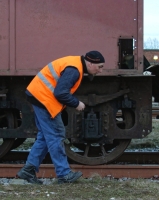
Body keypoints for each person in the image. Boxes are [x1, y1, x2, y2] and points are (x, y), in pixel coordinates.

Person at [16, 51, 105, 184]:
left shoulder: (75, 64)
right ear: (90, 63)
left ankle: (28, 170)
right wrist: (76, 103)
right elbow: (60, 93)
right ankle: (64, 174)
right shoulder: (74, 70)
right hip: (44, 99)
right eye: (100, 67)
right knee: (56, 135)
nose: (100, 71)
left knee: (45, 136)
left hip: (38, 96)